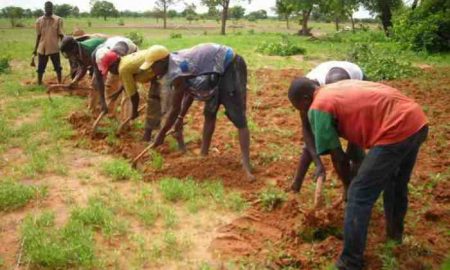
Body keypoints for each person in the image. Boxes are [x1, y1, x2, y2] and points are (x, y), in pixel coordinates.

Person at [288, 78, 428, 270]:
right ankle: (394, 239)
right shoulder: (334, 89)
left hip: (395, 130)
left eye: (300, 108)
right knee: (395, 184)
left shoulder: (319, 105)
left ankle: (350, 262)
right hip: (416, 121)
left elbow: (339, 158)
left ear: (305, 99)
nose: (303, 113)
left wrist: (348, 187)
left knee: (359, 194)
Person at [147, 43, 254, 180]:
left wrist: (161, 134)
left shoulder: (177, 69)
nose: (152, 70)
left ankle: (246, 163)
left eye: (152, 66)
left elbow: (175, 108)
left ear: (161, 62)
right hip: (213, 70)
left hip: (230, 64)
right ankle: (204, 155)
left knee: (238, 117)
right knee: (209, 112)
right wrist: (180, 118)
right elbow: (188, 92)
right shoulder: (174, 65)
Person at [289, 61, 366, 195]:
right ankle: (296, 186)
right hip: (334, 98)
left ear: (307, 99)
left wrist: (351, 145)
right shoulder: (304, 90)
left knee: (355, 152)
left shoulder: (336, 83)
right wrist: (318, 163)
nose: (306, 112)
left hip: (358, 99)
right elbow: (307, 130)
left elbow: (356, 115)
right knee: (323, 144)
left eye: (304, 108)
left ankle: (351, 191)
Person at [101, 45, 171, 140]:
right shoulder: (124, 61)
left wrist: (134, 112)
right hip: (155, 73)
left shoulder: (123, 69)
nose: (111, 72)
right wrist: (117, 93)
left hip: (162, 70)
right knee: (153, 101)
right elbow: (129, 80)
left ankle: (163, 133)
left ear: (114, 65)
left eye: (109, 69)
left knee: (162, 102)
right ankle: (149, 134)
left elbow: (134, 96)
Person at [92, 36, 138, 114]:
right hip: (114, 53)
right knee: (109, 86)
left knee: (128, 92)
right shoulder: (97, 55)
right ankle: (110, 112)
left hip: (132, 55)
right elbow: (99, 79)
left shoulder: (125, 60)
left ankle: (127, 119)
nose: (108, 71)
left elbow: (129, 81)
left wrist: (118, 91)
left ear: (115, 63)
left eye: (109, 68)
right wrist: (103, 101)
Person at [33, 1, 64, 85]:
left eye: (50, 7)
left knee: (58, 67)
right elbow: (38, 36)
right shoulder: (39, 21)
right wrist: (35, 50)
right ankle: (39, 83)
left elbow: (61, 35)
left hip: (54, 47)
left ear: (52, 8)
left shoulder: (58, 20)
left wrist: (64, 47)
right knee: (40, 67)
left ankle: (60, 83)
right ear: (44, 8)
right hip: (42, 48)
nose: (48, 9)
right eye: (47, 7)